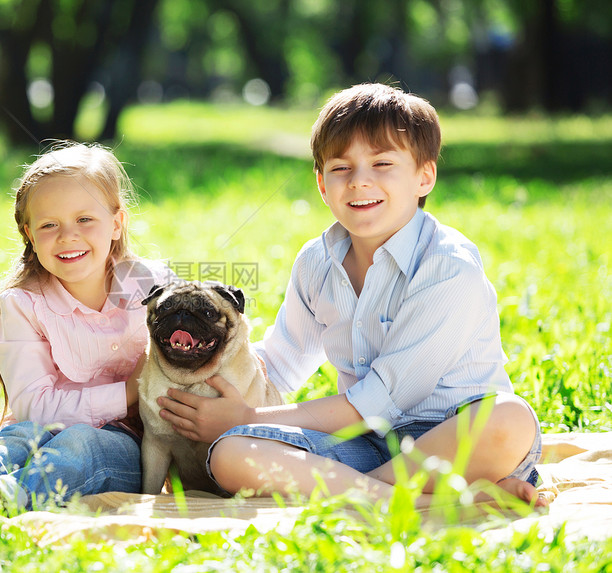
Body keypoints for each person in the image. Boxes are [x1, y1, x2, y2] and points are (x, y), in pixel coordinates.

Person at [157, 83, 547, 508]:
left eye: (382, 163)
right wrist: (213, 391)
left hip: (454, 440)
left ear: (424, 176)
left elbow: (381, 399)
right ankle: (424, 500)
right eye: (341, 168)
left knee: (508, 418)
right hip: (365, 446)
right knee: (231, 453)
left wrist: (250, 417)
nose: (360, 181)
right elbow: (280, 365)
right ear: (322, 185)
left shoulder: (448, 265)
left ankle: (374, 494)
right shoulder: (317, 261)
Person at [0, 141, 171, 512]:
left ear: (116, 223)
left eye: (85, 219)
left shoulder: (155, 286)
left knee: (81, 447)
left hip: (126, 442)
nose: (68, 236)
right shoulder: (22, 304)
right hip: (39, 423)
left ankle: (6, 496)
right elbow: (35, 409)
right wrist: (128, 390)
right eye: (49, 225)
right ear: (29, 234)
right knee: (17, 439)